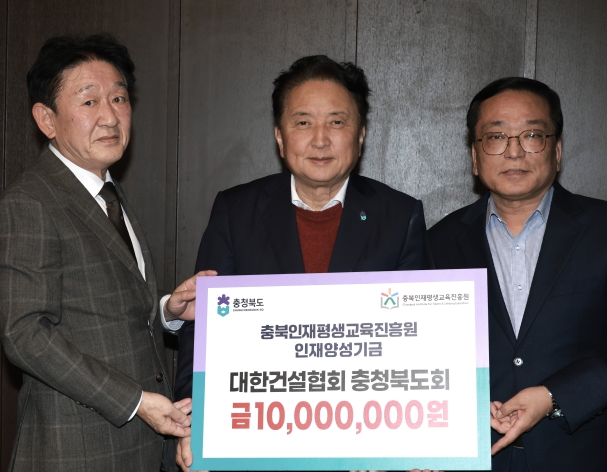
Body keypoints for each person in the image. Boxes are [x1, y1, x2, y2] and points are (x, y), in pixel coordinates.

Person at [173, 55, 431, 470]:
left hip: (364, 445)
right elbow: (202, 326)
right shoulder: (236, 210)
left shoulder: (399, 216)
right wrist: (194, 420)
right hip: (258, 440)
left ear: (361, 134)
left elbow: (421, 340)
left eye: (337, 122)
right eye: (303, 122)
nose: (320, 140)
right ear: (280, 136)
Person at [0, 34, 212, 472]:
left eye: (119, 98)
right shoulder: (30, 203)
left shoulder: (107, 192)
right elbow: (24, 334)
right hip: (75, 451)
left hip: (137, 450)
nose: (110, 116)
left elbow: (107, 313)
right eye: (89, 101)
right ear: (47, 119)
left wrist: (167, 309)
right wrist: (135, 401)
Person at [427, 77, 607, 471]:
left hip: (580, 455)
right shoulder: (438, 242)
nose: (514, 151)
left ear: (556, 151)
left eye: (532, 135)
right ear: (475, 156)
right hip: (474, 455)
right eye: (496, 137)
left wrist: (552, 395)